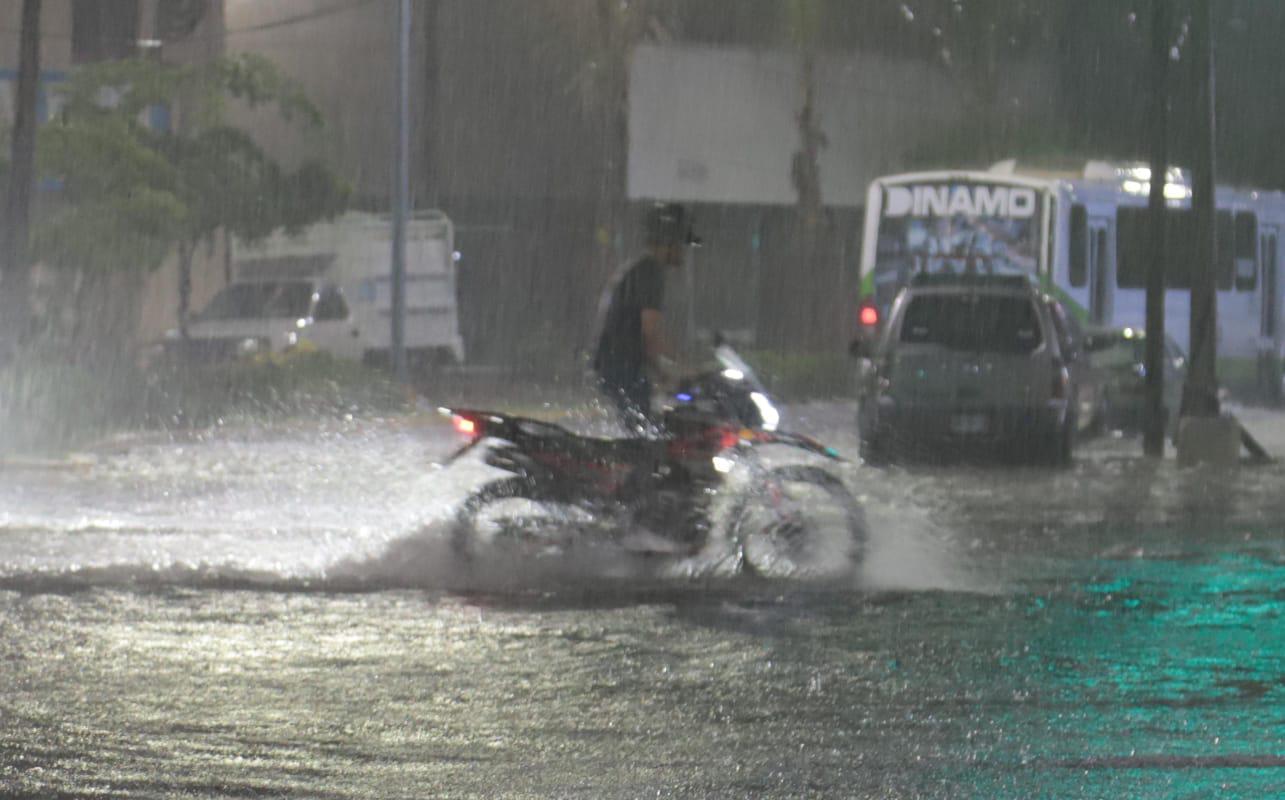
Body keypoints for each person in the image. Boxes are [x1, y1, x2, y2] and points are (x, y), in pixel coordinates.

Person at [592, 203, 700, 433]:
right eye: (681, 244)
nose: (683, 251)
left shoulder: (640, 269)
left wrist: (661, 373)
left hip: (618, 365)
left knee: (646, 428)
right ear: (668, 243)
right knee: (647, 436)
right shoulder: (650, 273)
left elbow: (638, 336)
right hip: (622, 368)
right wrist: (687, 366)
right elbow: (650, 333)